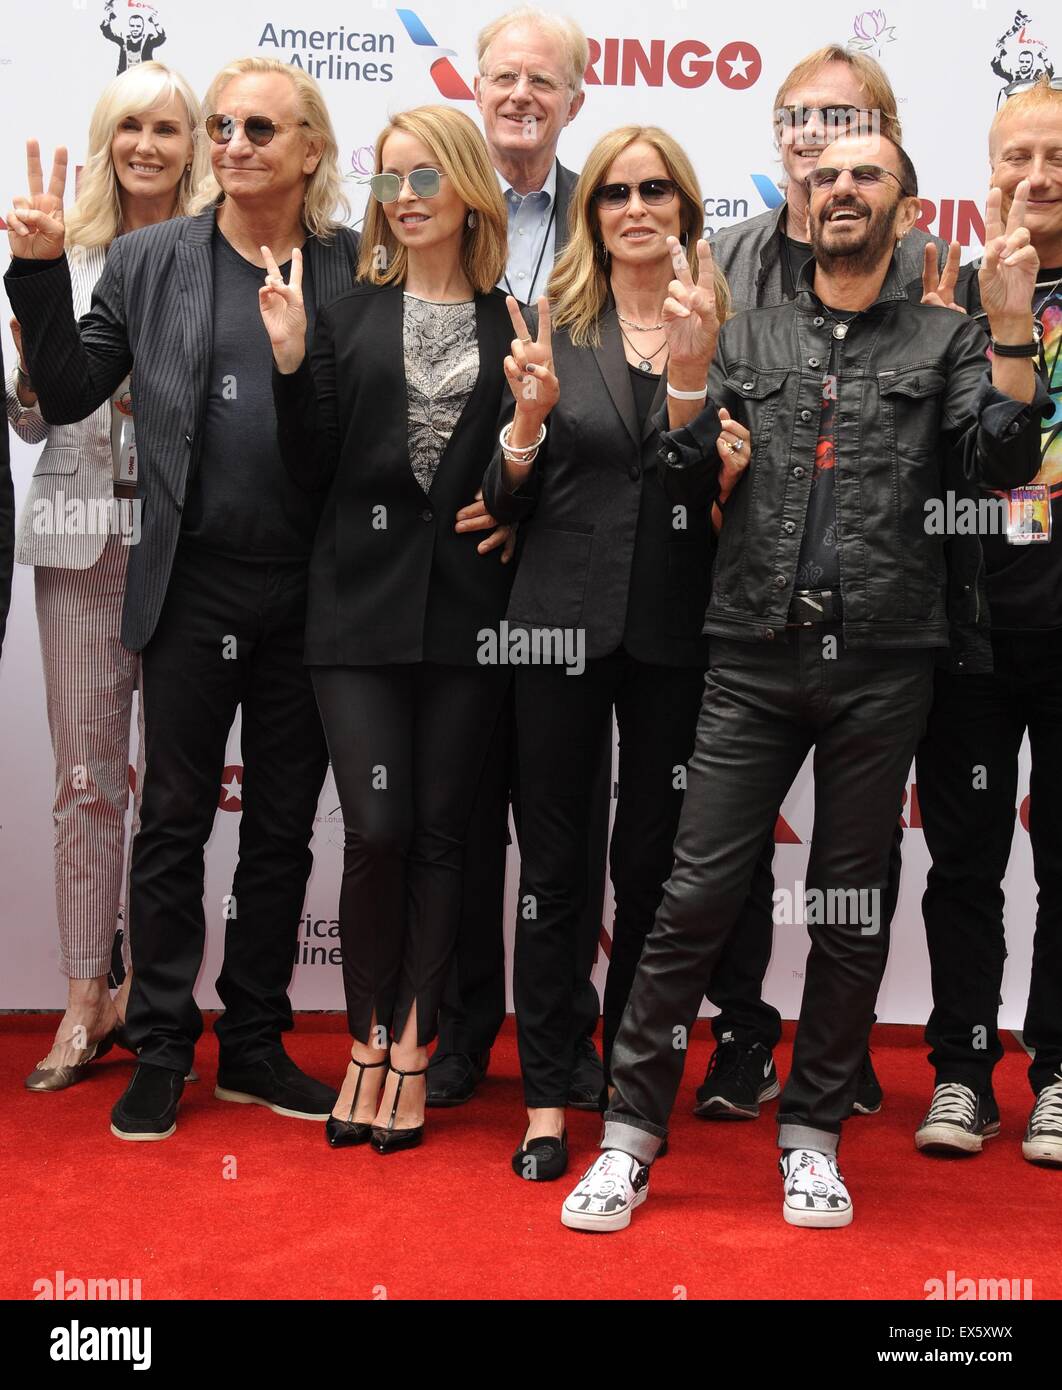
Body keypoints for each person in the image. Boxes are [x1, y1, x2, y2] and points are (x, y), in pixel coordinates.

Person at [560, 134, 1046, 1233]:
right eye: (823, 178)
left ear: (908, 206)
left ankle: (814, 1135)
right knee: (691, 897)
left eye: (865, 176)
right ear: (798, 202)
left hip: (886, 659)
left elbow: (1004, 464)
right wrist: (688, 379)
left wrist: (1014, 328)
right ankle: (630, 1136)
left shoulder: (951, 334)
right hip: (751, 650)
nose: (840, 191)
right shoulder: (746, 331)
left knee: (846, 908)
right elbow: (676, 475)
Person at [5, 56, 360, 1141]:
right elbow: (67, 391)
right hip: (190, 581)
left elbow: (351, 435)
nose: (237, 143)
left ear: (309, 148)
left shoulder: (354, 266)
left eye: (263, 127)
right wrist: (36, 275)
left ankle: (253, 1039)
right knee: (171, 820)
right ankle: (162, 1042)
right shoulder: (155, 260)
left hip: (313, 591)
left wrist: (301, 366)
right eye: (224, 126)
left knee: (284, 828)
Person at [265, 104, 541, 1154]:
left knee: (442, 835)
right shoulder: (341, 316)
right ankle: (366, 1036)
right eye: (389, 180)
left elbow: (528, 487)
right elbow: (308, 471)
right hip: (356, 614)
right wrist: (290, 364)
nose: (408, 197)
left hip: (470, 617)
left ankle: (417, 1043)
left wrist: (520, 455)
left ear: (470, 187)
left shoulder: (513, 321)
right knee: (378, 831)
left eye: (428, 176)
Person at [483, 124, 753, 1181]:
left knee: (652, 869)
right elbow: (505, 500)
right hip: (554, 626)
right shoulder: (554, 324)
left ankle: (632, 1087)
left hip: (679, 636)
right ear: (590, 213)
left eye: (656, 190)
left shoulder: (730, 342)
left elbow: (712, 493)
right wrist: (525, 426)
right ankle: (550, 1095)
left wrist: (694, 386)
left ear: (686, 209)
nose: (635, 207)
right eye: (612, 193)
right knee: (553, 869)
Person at [696, 42, 949, 1123]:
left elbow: (970, 437)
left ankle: (830, 1074)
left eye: (840, 121)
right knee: (719, 858)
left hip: (883, 623)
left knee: (854, 869)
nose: (814, 140)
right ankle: (741, 1035)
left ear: (884, 146)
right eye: (796, 118)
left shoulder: (932, 277)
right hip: (740, 602)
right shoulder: (730, 257)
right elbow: (694, 410)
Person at [5, 63, 205, 1094]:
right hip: (83, 537)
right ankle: (87, 995)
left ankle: (157, 1000)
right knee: (87, 782)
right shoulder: (64, 250)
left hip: (190, 545)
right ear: (105, 136)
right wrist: (36, 362)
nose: (146, 144)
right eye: (129, 124)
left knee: (175, 787)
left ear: (193, 142)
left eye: (167, 126)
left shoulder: (219, 248)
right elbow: (33, 419)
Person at [430, 5, 607, 1111]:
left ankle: (564, 1034)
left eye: (543, 82)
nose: (520, 96)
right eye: (502, 77)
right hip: (452, 557)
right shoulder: (430, 201)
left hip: (567, 561)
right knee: (453, 811)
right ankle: (458, 1033)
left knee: (562, 823)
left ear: (574, 100)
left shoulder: (614, 211)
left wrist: (528, 500)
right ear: (475, 87)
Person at [912, 76, 1062, 1167]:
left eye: (1056, 157)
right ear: (988, 170)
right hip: (964, 627)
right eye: (1016, 157)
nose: (1036, 177)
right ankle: (963, 1070)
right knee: (962, 858)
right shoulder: (947, 298)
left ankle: (1057, 1072)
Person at [100, 4, 166, 76]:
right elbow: (108, 34)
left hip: (144, 79)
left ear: (142, 27)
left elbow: (161, 38)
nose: (135, 29)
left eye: (138, 26)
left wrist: (155, 22)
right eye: (132, 26)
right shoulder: (123, 40)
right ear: (129, 26)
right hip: (125, 79)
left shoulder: (148, 40)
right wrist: (108, 17)